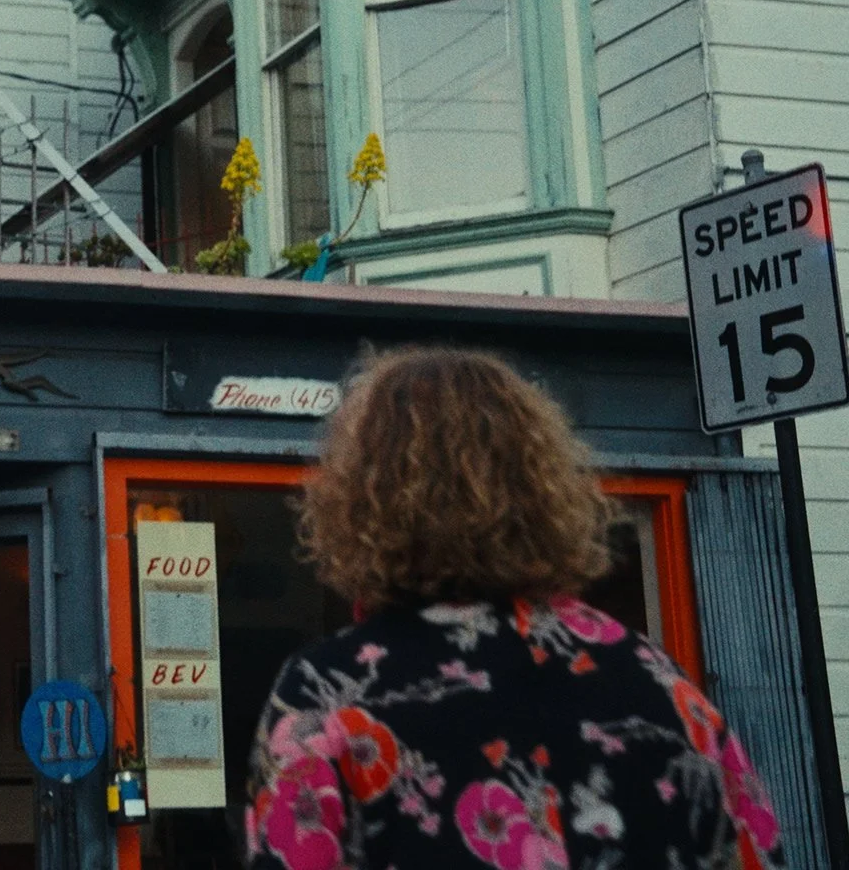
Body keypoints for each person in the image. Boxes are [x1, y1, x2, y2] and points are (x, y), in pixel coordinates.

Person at [245, 347, 783, 869]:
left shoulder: (329, 694)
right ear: (542, 484)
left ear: (359, 500)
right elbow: (755, 847)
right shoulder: (659, 682)